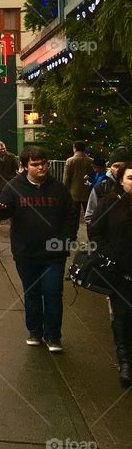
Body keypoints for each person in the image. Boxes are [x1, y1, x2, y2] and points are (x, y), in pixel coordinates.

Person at [0, 146, 77, 353]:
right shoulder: (13, 187)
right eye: (35, 164)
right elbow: (3, 212)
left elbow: (71, 215)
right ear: (24, 166)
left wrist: (65, 240)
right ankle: (35, 331)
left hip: (53, 253)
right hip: (26, 252)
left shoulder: (58, 189)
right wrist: (2, 211)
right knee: (32, 293)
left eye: (43, 163)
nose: (41, 167)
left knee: (52, 293)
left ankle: (53, 335)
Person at [89, 162, 132, 387]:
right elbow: (95, 232)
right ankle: (125, 362)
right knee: (123, 318)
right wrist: (110, 256)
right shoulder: (109, 204)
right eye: (131, 178)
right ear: (121, 180)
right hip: (121, 273)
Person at [86, 146, 130, 227]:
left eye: (123, 166)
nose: (119, 170)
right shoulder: (101, 188)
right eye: (116, 166)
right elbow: (90, 216)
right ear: (110, 167)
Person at [63, 141, 95, 223]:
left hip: (73, 192)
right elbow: (93, 176)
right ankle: (90, 234)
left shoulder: (70, 161)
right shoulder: (90, 161)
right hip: (88, 191)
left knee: (74, 216)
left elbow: (66, 178)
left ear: (75, 148)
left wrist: (64, 191)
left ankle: (73, 234)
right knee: (89, 216)